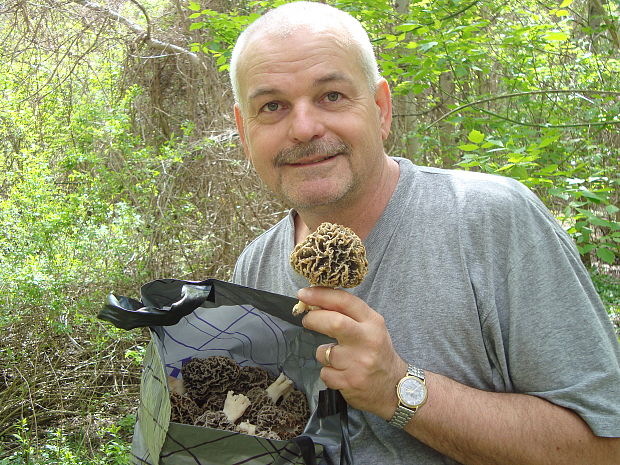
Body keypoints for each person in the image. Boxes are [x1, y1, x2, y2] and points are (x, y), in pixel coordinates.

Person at [228, 2, 620, 464]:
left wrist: (398, 389)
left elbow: (605, 447)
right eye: (272, 106)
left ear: (381, 109)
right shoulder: (253, 266)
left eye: (331, 95)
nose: (304, 127)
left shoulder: (491, 220)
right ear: (244, 132)